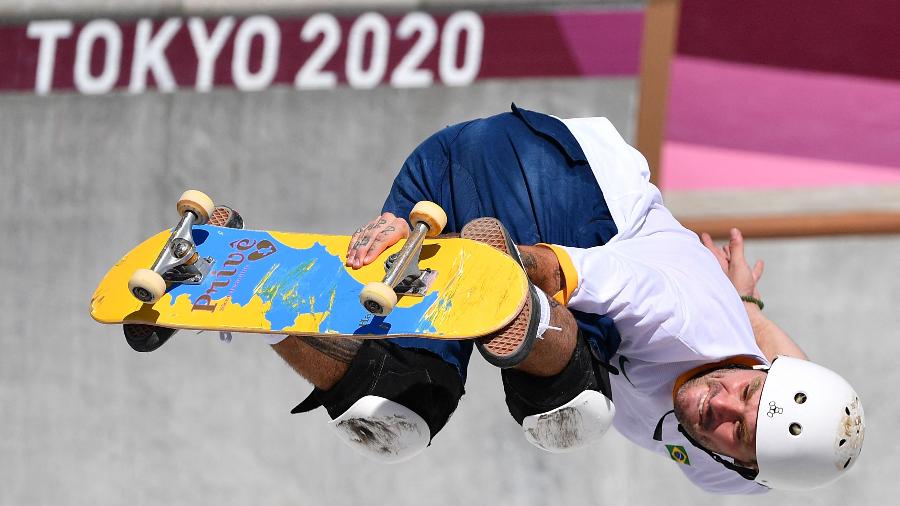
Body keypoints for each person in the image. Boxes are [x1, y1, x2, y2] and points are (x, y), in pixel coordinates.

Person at [145, 104, 864, 494]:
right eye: (744, 392)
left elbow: (790, 397)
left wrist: (757, 315)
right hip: (550, 182)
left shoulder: (736, 476)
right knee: (570, 408)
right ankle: (491, 270)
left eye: (738, 431)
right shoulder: (690, 314)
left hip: (440, 168)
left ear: (739, 466)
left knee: (394, 418)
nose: (723, 407)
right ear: (755, 370)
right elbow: (583, 273)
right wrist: (495, 260)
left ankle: (226, 276)